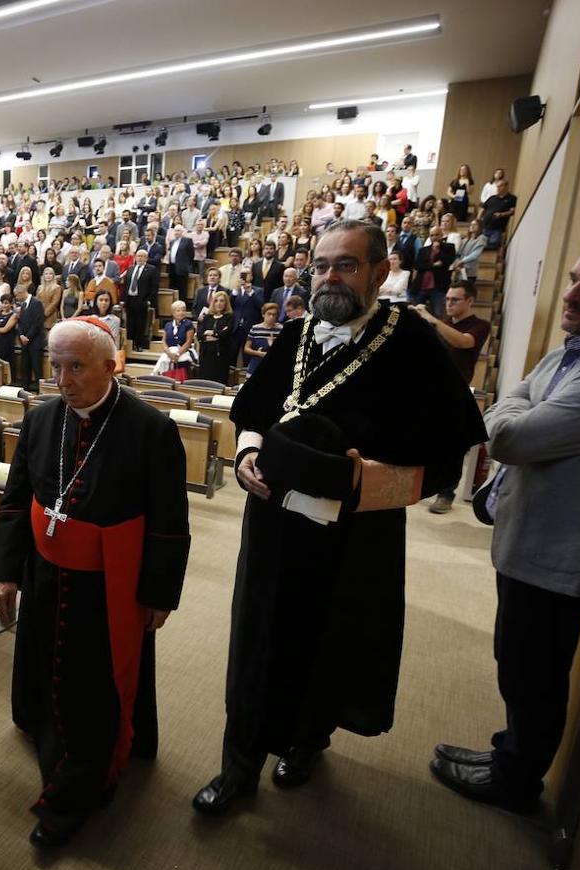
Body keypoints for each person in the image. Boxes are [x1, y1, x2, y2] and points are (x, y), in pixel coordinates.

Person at [192, 219, 486, 815]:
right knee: (256, 637)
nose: (328, 276)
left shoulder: (408, 341)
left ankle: (306, 741)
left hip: (356, 534)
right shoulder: (296, 331)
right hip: (273, 523)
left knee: (327, 640)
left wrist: (361, 482)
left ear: (380, 273)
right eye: (321, 264)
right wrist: (248, 451)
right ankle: (239, 764)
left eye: (345, 265)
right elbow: (251, 410)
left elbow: (443, 451)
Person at [431, 241, 580, 814]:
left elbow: (507, 433)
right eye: (574, 278)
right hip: (532, 542)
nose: (571, 293)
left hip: (558, 554)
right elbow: (510, 404)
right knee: (517, 663)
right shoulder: (578, 352)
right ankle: (508, 754)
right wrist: (518, 409)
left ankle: (515, 781)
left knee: (533, 673)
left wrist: (515, 412)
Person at [0, 317, 190, 847]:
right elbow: (16, 499)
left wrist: (158, 595)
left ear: (111, 365)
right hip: (44, 574)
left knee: (94, 688)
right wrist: (8, 572)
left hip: (109, 589)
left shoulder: (151, 429)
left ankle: (77, 790)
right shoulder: (39, 420)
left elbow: (170, 523)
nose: (63, 379)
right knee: (46, 666)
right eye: (55, 366)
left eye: (76, 366)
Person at [414, 283, 492, 513]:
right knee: (425, 440)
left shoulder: (480, 325)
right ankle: (423, 486)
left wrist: (431, 319)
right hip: (432, 389)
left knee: (453, 446)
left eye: (455, 300)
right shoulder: (442, 324)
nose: (449, 303)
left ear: (470, 301)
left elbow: (463, 341)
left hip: (458, 391)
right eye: (447, 299)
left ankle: (446, 494)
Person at [412, 227, 456, 320]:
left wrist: (436, 251)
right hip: (421, 287)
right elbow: (418, 266)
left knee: (437, 314)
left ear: (442, 235)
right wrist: (433, 265)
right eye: (432, 235)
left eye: (437, 235)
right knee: (416, 314)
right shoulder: (423, 250)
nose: (434, 237)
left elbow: (447, 261)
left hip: (438, 287)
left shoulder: (449, 247)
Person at [120, 249, 157, 351]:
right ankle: (130, 344)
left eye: (142, 256)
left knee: (140, 324)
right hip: (130, 299)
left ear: (146, 258)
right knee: (130, 323)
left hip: (142, 300)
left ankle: (139, 344)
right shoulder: (131, 269)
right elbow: (126, 285)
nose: (139, 258)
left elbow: (154, 288)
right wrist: (123, 299)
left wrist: (148, 301)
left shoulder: (151, 269)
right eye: (138, 256)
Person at [14, 280, 46, 390]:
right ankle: (25, 390)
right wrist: (22, 335)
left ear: (22, 293)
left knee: (37, 368)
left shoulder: (36, 303)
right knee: (25, 368)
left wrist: (28, 337)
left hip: (35, 342)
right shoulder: (23, 305)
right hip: (25, 342)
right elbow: (21, 322)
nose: (16, 298)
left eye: (17, 295)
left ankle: (41, 392)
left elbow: (37, 323)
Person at [197, 292, 235, 384]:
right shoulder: (207, 317)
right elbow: (200, 334)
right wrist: (216, 334)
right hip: (206, 354)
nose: (219, 303)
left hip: (221, 355)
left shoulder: (229, 317)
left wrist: (212, 332)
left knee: (218, 382)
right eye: (216, 301)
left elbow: (225, 334)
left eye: (222, 301)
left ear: (226, 303)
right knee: (205, 381)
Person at [243, 302, 281, 376]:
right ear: (263, 314)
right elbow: (246, 349)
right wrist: (259, 353)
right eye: (269, 314)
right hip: (255, 366)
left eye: (274, 314)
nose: (271, 317)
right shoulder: (255, 328)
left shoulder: (280, 329)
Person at [160, 300, 196, 381]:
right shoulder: (168, 325)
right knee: (163, 361)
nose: (181, 312)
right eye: (178, 310)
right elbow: (163, 341)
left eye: (183, 310)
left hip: (183, 351)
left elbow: (188, 342)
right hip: (169, 352)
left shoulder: (188, 324)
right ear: (173, 312)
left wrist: (177, 354)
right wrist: (168, 353)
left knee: (182, 360)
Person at [480, 180, 517, 248]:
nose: (498, 188)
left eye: (500, 186)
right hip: (485, 226)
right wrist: (479, 218)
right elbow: (483, 208)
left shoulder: (512, 198)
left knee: (493, 245)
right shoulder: (492, 198)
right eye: (497, 186)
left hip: (497, 229)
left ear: (506, 187)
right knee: (481, 245)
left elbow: (512, 211)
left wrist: (501, 214)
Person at [0, 291, 18, 367]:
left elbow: (5, 329)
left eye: (6, 303)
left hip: (7, 343)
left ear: (11, 304)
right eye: (2, 303)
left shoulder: (13, 315)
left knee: (7, 364)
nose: (4, 305)